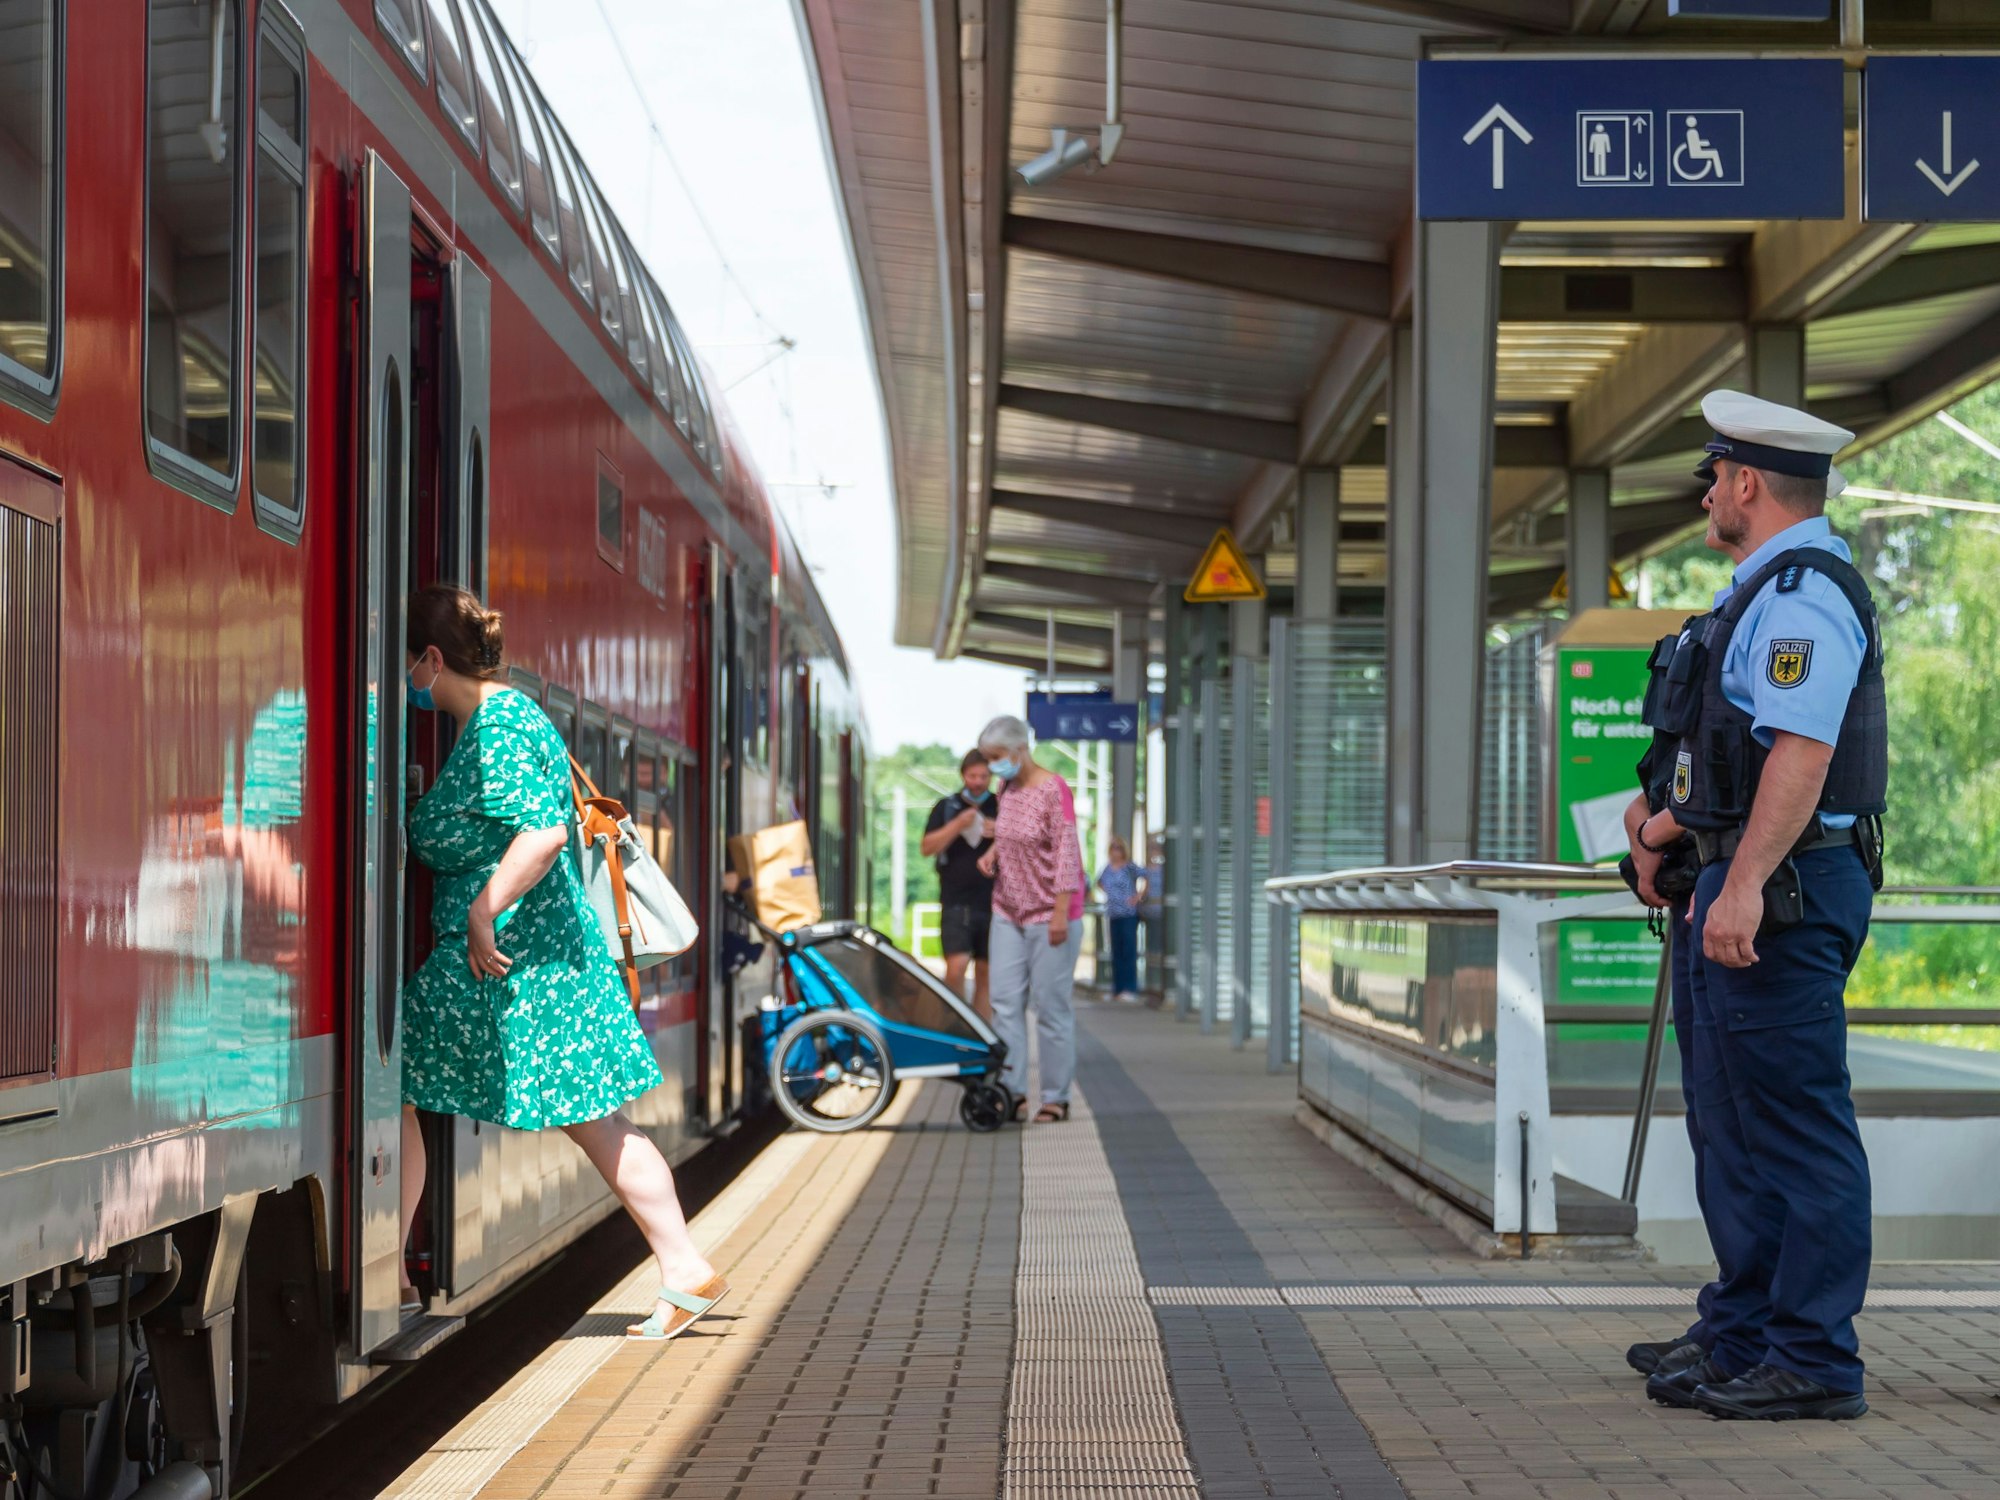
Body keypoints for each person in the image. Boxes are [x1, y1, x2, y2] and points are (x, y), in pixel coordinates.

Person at [1622, 391, 1885, 1421]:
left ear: (1743, 484)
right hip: (1740, 882)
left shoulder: (1802, 596)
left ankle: (1812, 1361)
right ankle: (1742, 1331)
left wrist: (1736, 887)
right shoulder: (1757, 593)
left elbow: (1800, 756)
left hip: (1778, 889)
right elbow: (1720, 761)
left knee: (1793, 1127)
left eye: (1711, 477)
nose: (1702, 495)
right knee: (1731, 1123)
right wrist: (1661, 836)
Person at [398, 584, 727, 1342]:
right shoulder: (500, 718)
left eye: (410, 664)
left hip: (512, 962)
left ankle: (393, 1274)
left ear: (432, 659)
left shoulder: (500, 721)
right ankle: (684, 1268)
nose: (408, 679)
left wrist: (482, 911)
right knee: (599, 1124)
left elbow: (542, 833)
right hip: (531, 962)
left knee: (394, 1079)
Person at [975, 715, 1085, 1124]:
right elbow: (1009, 834)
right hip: (1008, 910)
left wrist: (1059, 915)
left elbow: (1066, 854)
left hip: (1050, 915)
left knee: (1051, 1008)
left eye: (997, 757)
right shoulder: (1006, 787)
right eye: (988, 759)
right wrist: (993, 854)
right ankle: (1012, 1092)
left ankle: (1056, 1097)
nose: (992, 767)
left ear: (1021, 750)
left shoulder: (1053, 790)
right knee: (1005, 1004)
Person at [920, 750, 999, 1020]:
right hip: (955, 901)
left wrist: (999, 830)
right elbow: (927, 847)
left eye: (983, 776)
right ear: (963, 775)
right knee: (956, 967)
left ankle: (982, 1035)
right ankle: (957, 1028)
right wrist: (957, 825)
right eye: (972, 776)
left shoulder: (1001, 807)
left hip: (992, 900)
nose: (978, 782)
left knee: (985, 972)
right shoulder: (947, 807)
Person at [1096, 838, 1142, 1002]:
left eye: (1118, 848)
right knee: (1116, 952)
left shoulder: (1129, 867)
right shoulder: (1107, 869)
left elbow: (1146, 875)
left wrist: (1138, 896)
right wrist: (1111, 895)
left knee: (1128, 951)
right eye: (1113, 848)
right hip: (1113, 913)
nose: (1115, 851)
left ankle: (1130, 988)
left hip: (1128, 914)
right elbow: (1099, 882)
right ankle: (1117, 988)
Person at [1139, 838, 1165, 1006]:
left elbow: (1145, 892)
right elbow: (1145, 892)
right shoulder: (1153, 871)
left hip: (1157, 913)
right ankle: (1154, 984)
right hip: (1154, 913)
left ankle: (1155, 984)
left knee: (1155, 950)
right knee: (1155, 950)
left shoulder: (1152, 871)